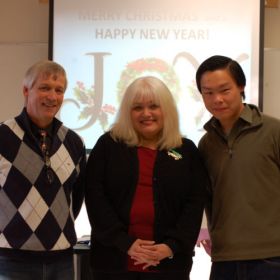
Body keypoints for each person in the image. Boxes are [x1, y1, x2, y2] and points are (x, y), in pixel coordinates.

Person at [85, 76, 208, 280]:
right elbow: (95, 197)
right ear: (127, 112)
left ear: (166, 110)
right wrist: (125, 243)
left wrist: (171, 246)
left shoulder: (186, 151)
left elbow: (194, 204)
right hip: (113, 263)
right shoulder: (108, 145)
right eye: (137, 108)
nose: (146, 113)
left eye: (154, 106)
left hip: (170, 264)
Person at [0, 60, 86, 280]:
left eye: (59, 90)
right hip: (12, 260)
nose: (52, 96)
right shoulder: (3, 137)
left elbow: (75, 198)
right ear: (26, 90)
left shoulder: (74, 142)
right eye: (45, 88)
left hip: (62, 259)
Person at [196, 55, 280, 280]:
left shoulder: (273, 131)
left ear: (241, 87)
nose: (217, 99)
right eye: (208, 92)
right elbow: (208, 197)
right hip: (224, 258)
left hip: (272, 257)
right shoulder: (206, 144)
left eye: (225, 90)